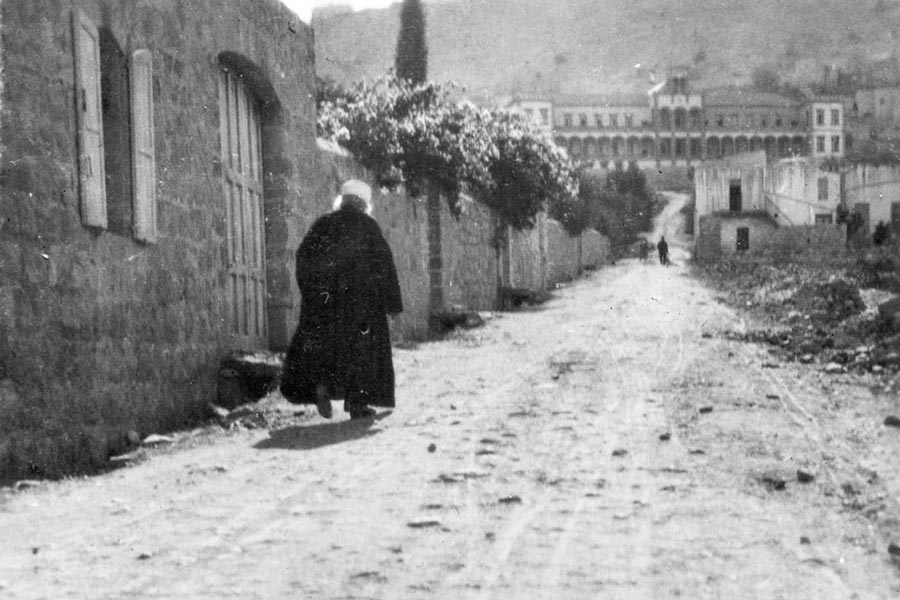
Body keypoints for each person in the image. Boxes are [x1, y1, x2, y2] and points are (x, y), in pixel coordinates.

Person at [280, 179, 403, 420]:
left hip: (325, 303)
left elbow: (303, 256)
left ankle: (321, 387)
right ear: (364, 204)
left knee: (325, 349)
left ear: (342, 201)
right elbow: (385, 266)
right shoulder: (368, 227)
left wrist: (314, 293)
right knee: (361, 352)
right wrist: (392, 305)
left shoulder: (323, 224)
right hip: (361, 308)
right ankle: (357, 403)